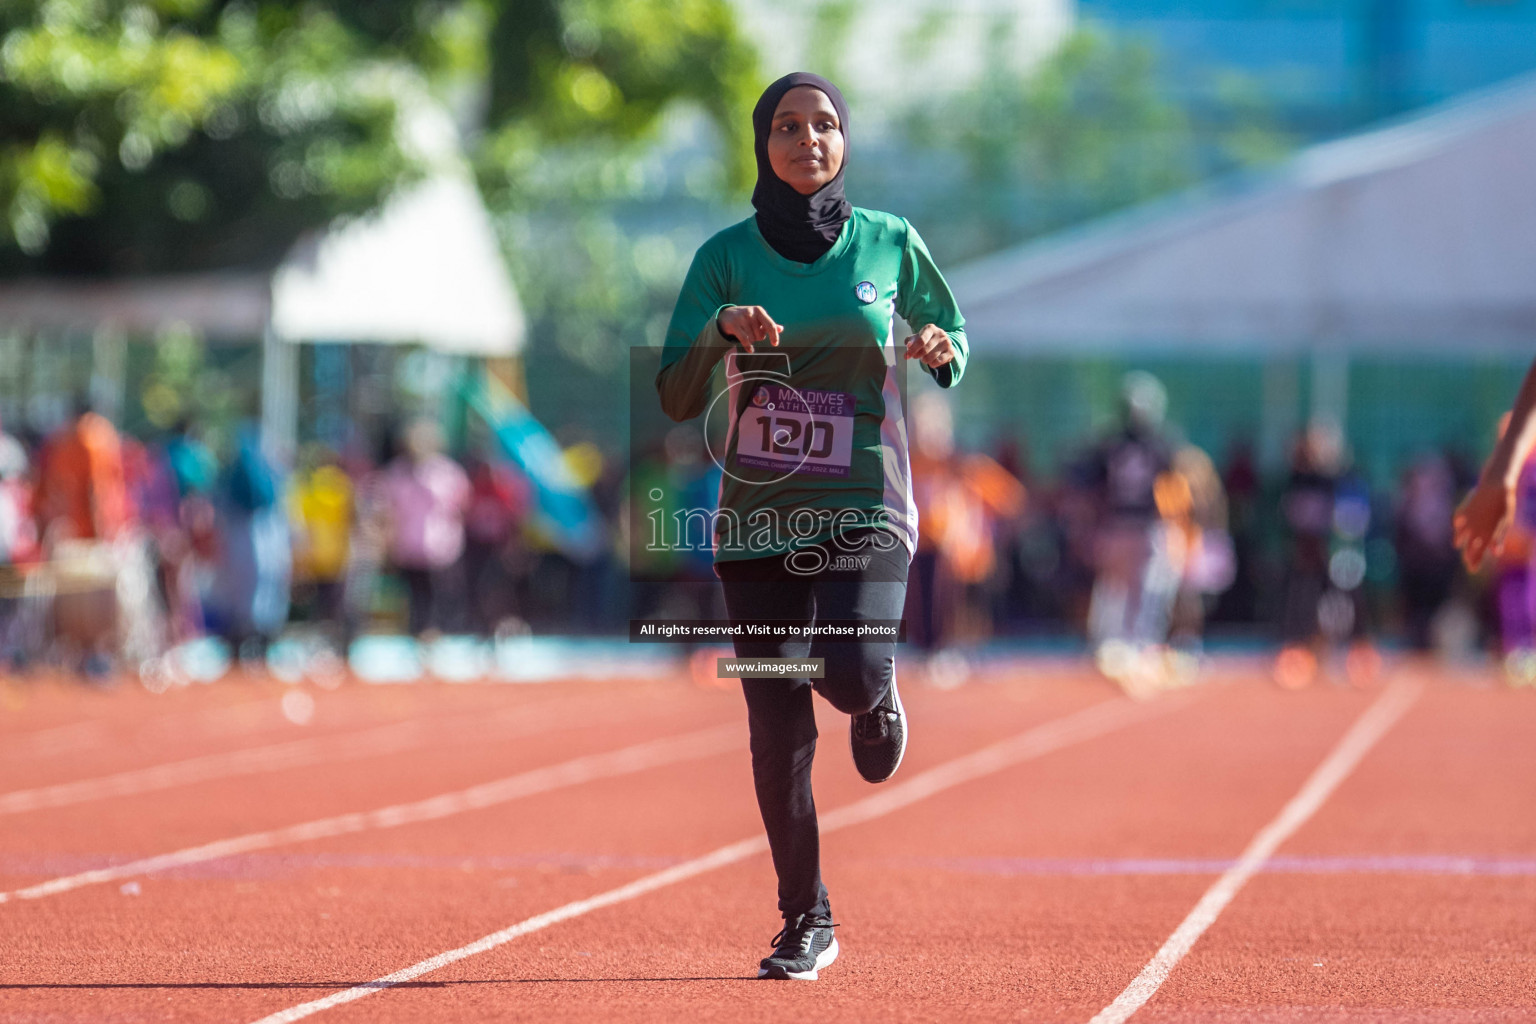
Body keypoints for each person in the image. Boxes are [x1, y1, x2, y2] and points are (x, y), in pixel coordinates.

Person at [655, 72, 967, 981]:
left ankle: (878, 693)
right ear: (764, 144)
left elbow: (949, 327)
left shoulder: (889, 242)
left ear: (845, 140)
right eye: (788, 127)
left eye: (825, 124)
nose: (809, 140)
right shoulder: (723, 258)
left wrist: (943, 350)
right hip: (757, 519)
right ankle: (808, 918)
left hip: (867, 501)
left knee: (847, 666)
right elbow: (675, 393)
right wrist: (719, 328)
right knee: (775, 728)